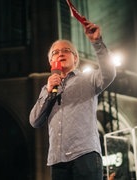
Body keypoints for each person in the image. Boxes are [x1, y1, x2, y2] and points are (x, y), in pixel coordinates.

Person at [29, 19, 116, 180]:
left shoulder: (88, 79)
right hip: (57, 160)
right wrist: (49, 92)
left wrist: (97, 43)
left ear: (75, 59)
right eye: (55, 52)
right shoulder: (46, 89)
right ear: (50, 62)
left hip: (85, 155)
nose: (60, 53)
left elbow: (109, 73)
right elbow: (34, 121)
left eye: (66, 50)